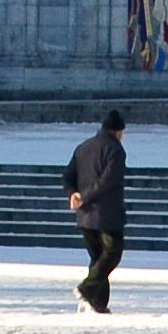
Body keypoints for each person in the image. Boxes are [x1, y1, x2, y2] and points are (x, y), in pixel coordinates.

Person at [65, 108, 130, 311]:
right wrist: (85, 196)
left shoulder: (83, 147)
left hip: (85, 215)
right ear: (117, 131)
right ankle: (87, 288)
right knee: (112, 253)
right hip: (106, 214)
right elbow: (109, 180)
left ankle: (98, 303)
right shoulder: (115, 150)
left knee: (97, 257)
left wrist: (73, 193)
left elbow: (68, 174)